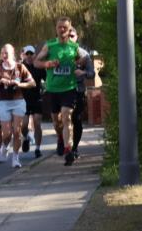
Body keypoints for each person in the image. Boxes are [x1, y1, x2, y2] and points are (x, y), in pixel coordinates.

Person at [34, 17, 88, 166]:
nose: (62, 30)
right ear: (56, 29)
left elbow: (84, 60)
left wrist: (79, 66)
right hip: (52, 89)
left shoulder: (74, 47)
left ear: (69, 29)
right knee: (56, 122)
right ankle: (60, 138)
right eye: (60, 27)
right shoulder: (50, 46)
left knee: (66, 116)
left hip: (68, 88)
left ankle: (68, 150)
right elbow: (36, 62)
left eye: (65, 27)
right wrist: (48, 63)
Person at [0, 44, 35, 168]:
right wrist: (0, 81)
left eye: (6, 53)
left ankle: (15, 157)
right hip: (3, 102)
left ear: (12, 53)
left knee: (17, 131)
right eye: (2, 53)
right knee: (7, 133)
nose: (4, 55)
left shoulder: (20, 67)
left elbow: (32, 83)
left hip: (18, 101)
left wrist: (19, 85)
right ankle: (5, 146)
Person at [67, 27, 96, 158]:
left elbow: (92, 74)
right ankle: (62, 140)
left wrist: (83, 72)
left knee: (76, 119)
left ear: (77, 37)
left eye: (72, 36)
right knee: (60, 120)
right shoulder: (58, 53)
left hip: (78, 90)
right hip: (62, 90)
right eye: (67, 36)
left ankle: (74, 148)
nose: (69, 38)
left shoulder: (84, 55)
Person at [20, 45, 45, 157]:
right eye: (27, 54)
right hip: (23, 99)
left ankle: (38, 149)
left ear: (35, 55)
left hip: (36, 98)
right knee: (24, 125)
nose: (29, 56)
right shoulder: (20, 67)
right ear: (24, 55)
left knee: (37, 123)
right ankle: (25, 137)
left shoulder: (38, 67)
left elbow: (47, 78)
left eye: (31, 54)